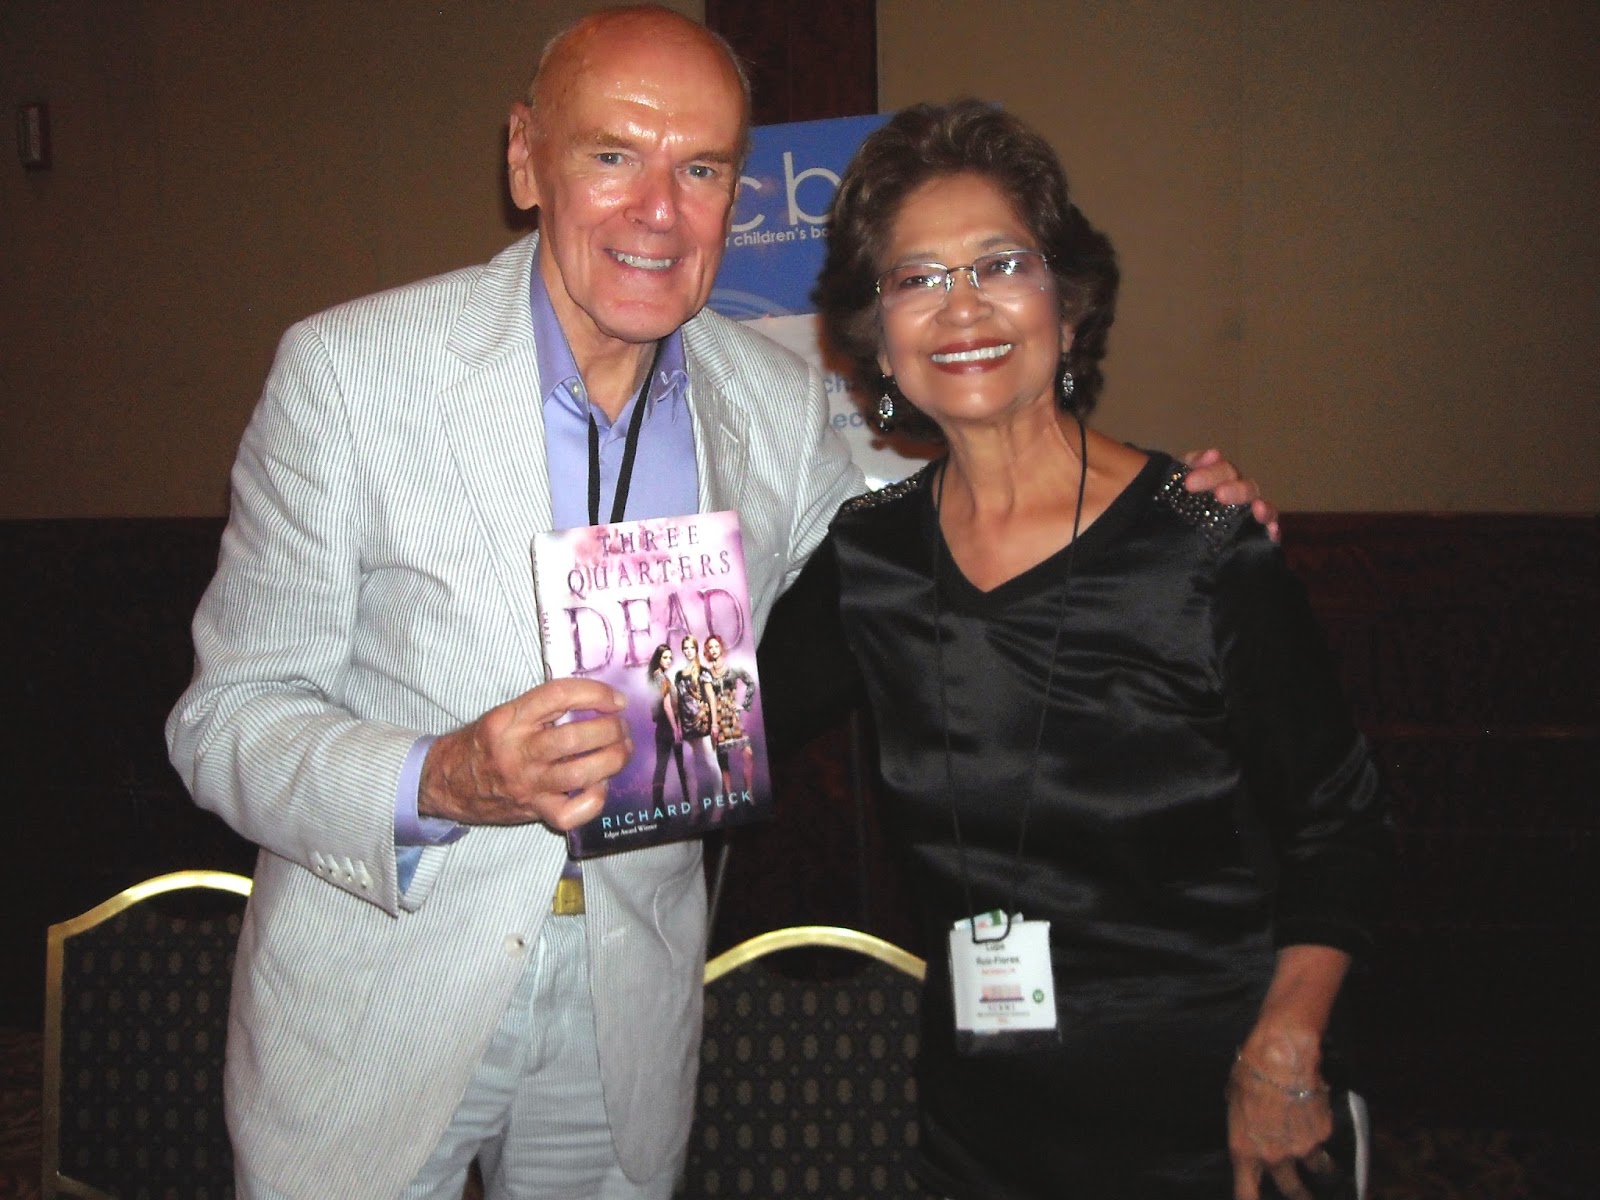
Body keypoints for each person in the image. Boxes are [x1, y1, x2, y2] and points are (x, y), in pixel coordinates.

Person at [165, 5, 1267, 1196]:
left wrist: (1160, 505)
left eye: (699, 169)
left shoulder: (774, 406)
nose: (658, 210)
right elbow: (225, 720)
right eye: (612, 155)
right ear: (526, 158)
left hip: (627, 1014)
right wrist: (442, 777)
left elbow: (951, 522)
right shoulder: (351, 374)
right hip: (381, 1002)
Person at [764, 100, 1390, 1200]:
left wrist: (1286, 1050)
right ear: (878, 333)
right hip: (980, 1133)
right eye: (916, 278)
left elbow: (1341, 823)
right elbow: (707, 737)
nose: (962, 307)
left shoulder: (1200, 537)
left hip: (1220, 1116)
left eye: (1000, 263)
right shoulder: (869, 556)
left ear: (1067, 297)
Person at [703, 633, 758, 797]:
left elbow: (751, 683)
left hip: (733, 718)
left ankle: (749, 792)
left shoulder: (733, 669)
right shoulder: (707, 674)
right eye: (710, 647)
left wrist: (744, 705)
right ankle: (730, 797)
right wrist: (712, 723)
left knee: (748, 753)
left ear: (721, 648)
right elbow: (709, 699)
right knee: (723, 761)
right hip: (717, 719)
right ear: (707, 651)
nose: (713, 650)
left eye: (716, 646)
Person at [672, 633, 721, 809]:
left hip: (703, 724)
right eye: (685, 648)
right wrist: (678, 726)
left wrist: (714, 723)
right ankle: (694, 809)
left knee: (711, 763)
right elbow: (679, 703)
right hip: (686, 728)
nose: (688, 651)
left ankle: (719, 804)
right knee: (688, 769)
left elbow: (711, 698)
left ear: (696, 649)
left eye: (691, 647)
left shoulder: (703, 672)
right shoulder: (679, 675)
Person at [646, 643, 690, 807]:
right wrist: (675, 728)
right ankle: (689, 801)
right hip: (668, 726)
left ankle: (658, 806)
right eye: (665, 657)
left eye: (670, 658)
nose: (668, 660)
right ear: (658, 659)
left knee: (662, 767)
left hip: (662, 728)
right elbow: (667, 706)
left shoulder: (654, 678)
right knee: (681, 766)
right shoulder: (661, 678)